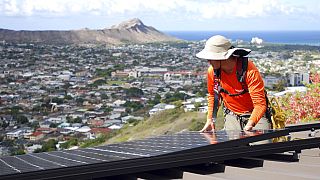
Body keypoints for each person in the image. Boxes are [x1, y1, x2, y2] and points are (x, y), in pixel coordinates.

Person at [196, 35, 270, 132]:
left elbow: (260, 105)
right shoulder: (212, 72)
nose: (208, 61)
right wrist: (210, 119)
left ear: (222, 58)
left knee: (261, 144)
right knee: (234, 146)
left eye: (211, 58)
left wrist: (250, 125)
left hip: (255, 114)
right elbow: (213, 96)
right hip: (232, 114)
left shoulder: (249, 71)